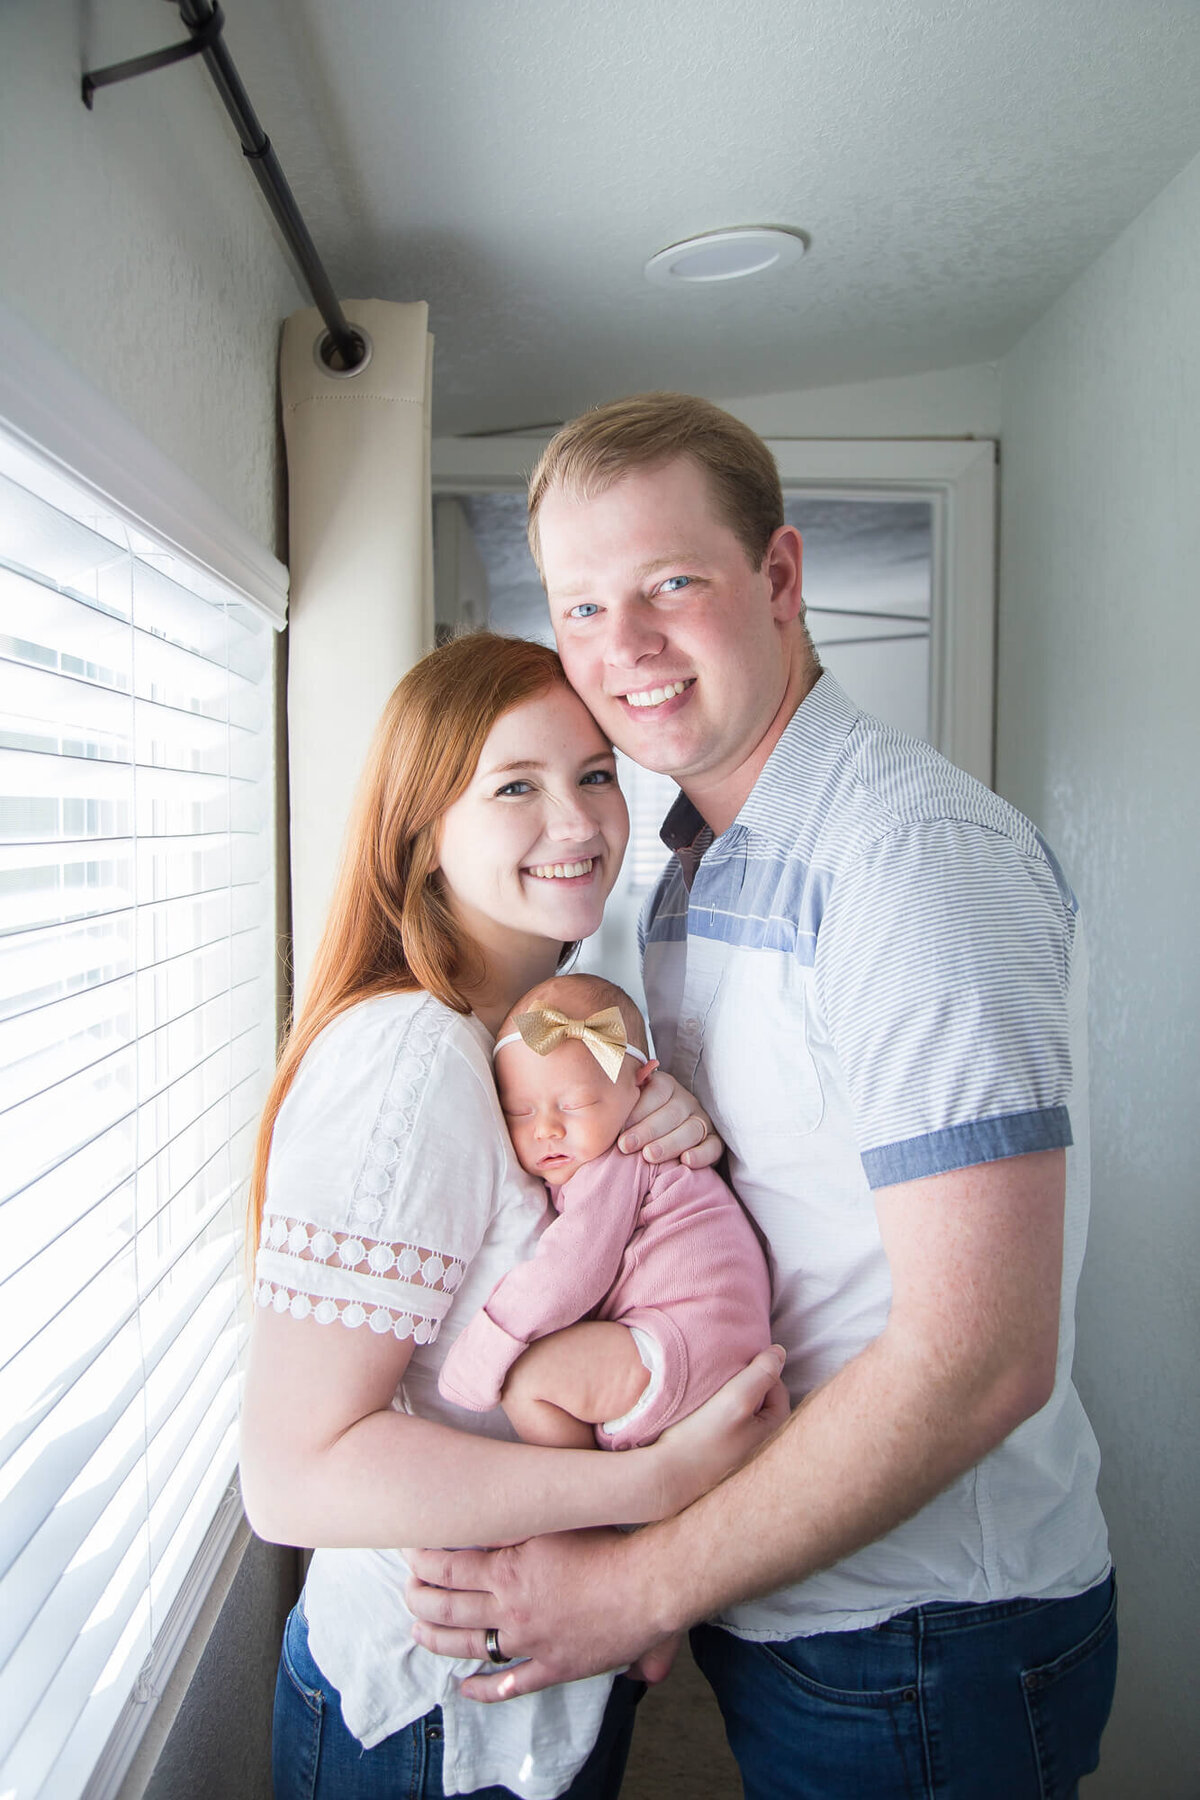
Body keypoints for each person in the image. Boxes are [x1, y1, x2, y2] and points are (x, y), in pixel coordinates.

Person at [404, 395, 1118, 1799]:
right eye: (584, 604)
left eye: (673, 583)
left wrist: (638, 1581)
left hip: (921, 1633)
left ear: (781, 579)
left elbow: (982, 1358)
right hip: (798, 1590)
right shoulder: (690, 867)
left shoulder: (903, 861)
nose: (627, 649)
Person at [239, 630, 787, 1800]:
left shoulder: (533, 1037)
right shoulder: (411, 1058)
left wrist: (656, 1131)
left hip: (542, 1671)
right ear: (421, 832)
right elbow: (291, 1477)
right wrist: (648, 1498)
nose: (581, 823)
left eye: (595, 773)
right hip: (435, 1715)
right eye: (516, 787)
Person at [438, 970, 773, 1450]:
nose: (547, 1129)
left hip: (689, 1341)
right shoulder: (604, 1155)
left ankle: (582, 1514)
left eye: (575, 1105)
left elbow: (569, 1271)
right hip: (710, 1340)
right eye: (520, 1111)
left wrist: (480, 1353)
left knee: (528, 1383)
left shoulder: (624, 1156)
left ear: (643, 1087)